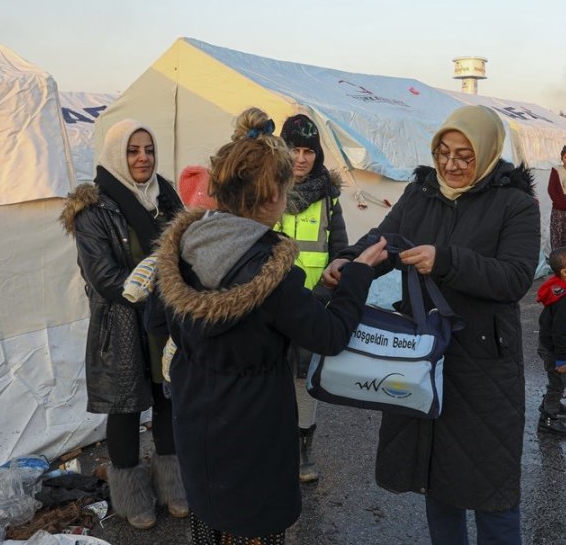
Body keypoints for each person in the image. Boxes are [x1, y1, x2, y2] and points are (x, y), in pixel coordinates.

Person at [149, 110, 388, 544]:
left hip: (195, 415)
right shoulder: (271, 272)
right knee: (255, 526)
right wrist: (357, 275)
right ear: (275, 194)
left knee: (209, 520)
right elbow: (329, 335)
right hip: (253, 427)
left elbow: (154, 318)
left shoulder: (183, 246)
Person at [322, 105, 540, 544]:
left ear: (488, 152)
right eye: (443, 153)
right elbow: (384, 240)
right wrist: (349, 262)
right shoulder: (421, 192)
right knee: (436, 478)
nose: (451, 165)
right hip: (423, 355)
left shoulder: (516, 204)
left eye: (464, 156)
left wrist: (447, 261)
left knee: (492, 490)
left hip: (483, 365)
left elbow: (515, 278)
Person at [60, 119, 187, 529]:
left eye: (148, 150)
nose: (143, 158)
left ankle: (173, 486)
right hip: (120, 324)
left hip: (164, 321)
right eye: (133, 150)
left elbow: (186, 252)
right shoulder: (92, 208)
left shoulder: (167, 197)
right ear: (117, 153)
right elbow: (104, 277)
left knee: (168, 399)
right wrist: (165, 285)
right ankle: (132, 497)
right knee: (126, 408)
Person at [271, 113, 348, 483]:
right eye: (294, 150)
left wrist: (324, 293)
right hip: (269, 305)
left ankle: (303, 453)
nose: (301, 159)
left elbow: (340, 253)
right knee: (270, 379)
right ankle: (274, 448)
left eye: (308, 151)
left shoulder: (329, 200)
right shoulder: (267, 191)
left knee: (304, 381)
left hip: (312, 306)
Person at [536, 247, 566, 436]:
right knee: (558, 381)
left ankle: (552, 402)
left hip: (556, 345)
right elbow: (559, 332)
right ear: (565, 272)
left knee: (563, 376)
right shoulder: (564, 298)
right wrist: (561, 359)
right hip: (554, 347)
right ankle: (548, 419)